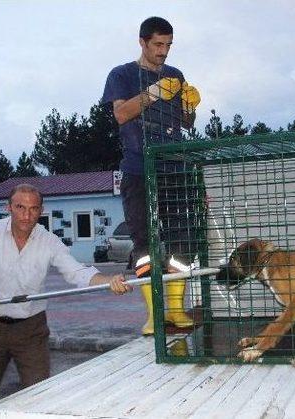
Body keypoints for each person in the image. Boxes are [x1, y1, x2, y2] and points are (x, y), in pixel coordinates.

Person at [0, 183, 131, 409]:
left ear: (41, 210)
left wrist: (108, 281)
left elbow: (76, 272)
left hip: (31, 331)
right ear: (9, 207)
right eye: (20, 207)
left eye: (33, 209)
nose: (26, 215)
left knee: (40, 400)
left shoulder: (49, 241)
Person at [101, 16, 201, 335]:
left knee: (183, 238)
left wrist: (190, 106)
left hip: (176, 168)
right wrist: (154, 92)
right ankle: (154, 314)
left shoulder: (176, 74)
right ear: (142, 42)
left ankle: (176, 309)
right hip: (137, 169)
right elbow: (120, 114)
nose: (163, 52)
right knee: (144, 243)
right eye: (158, 44)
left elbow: (186, 123)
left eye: (168, 45)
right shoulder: (122, 74)